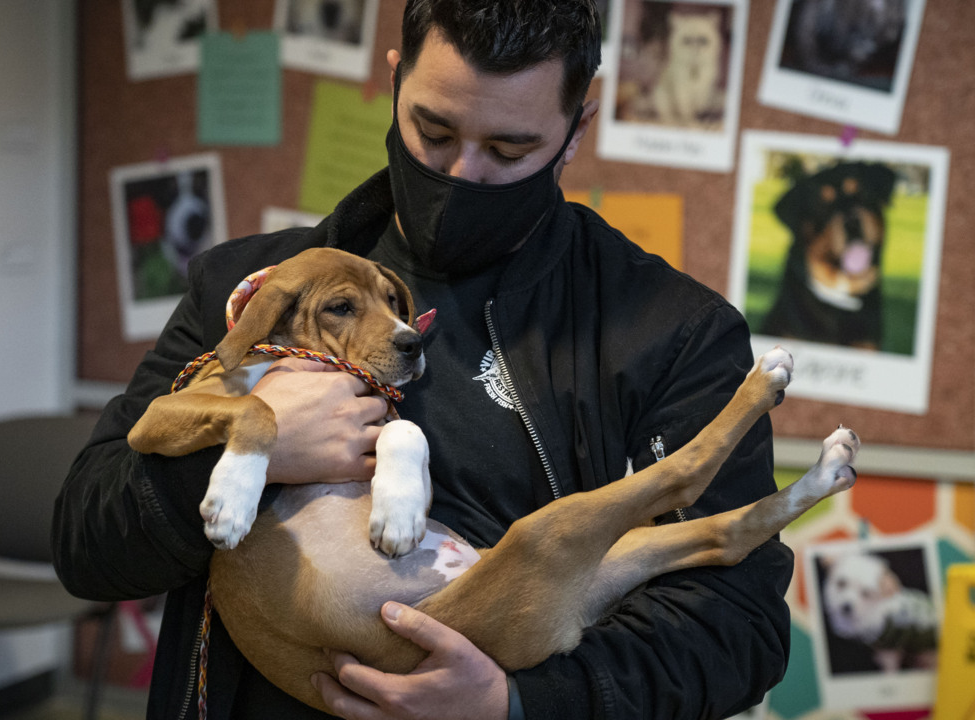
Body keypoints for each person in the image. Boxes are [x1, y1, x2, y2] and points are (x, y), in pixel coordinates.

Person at [52, 1, 793, 718]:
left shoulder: (673, 332)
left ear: (577, 128)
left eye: (508, 150)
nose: (462, 174)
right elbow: (86, 542)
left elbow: (739, 628)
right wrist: (249, 446)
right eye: (433, 132)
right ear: (396, 78)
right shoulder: (251, 291)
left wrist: (525, 704)